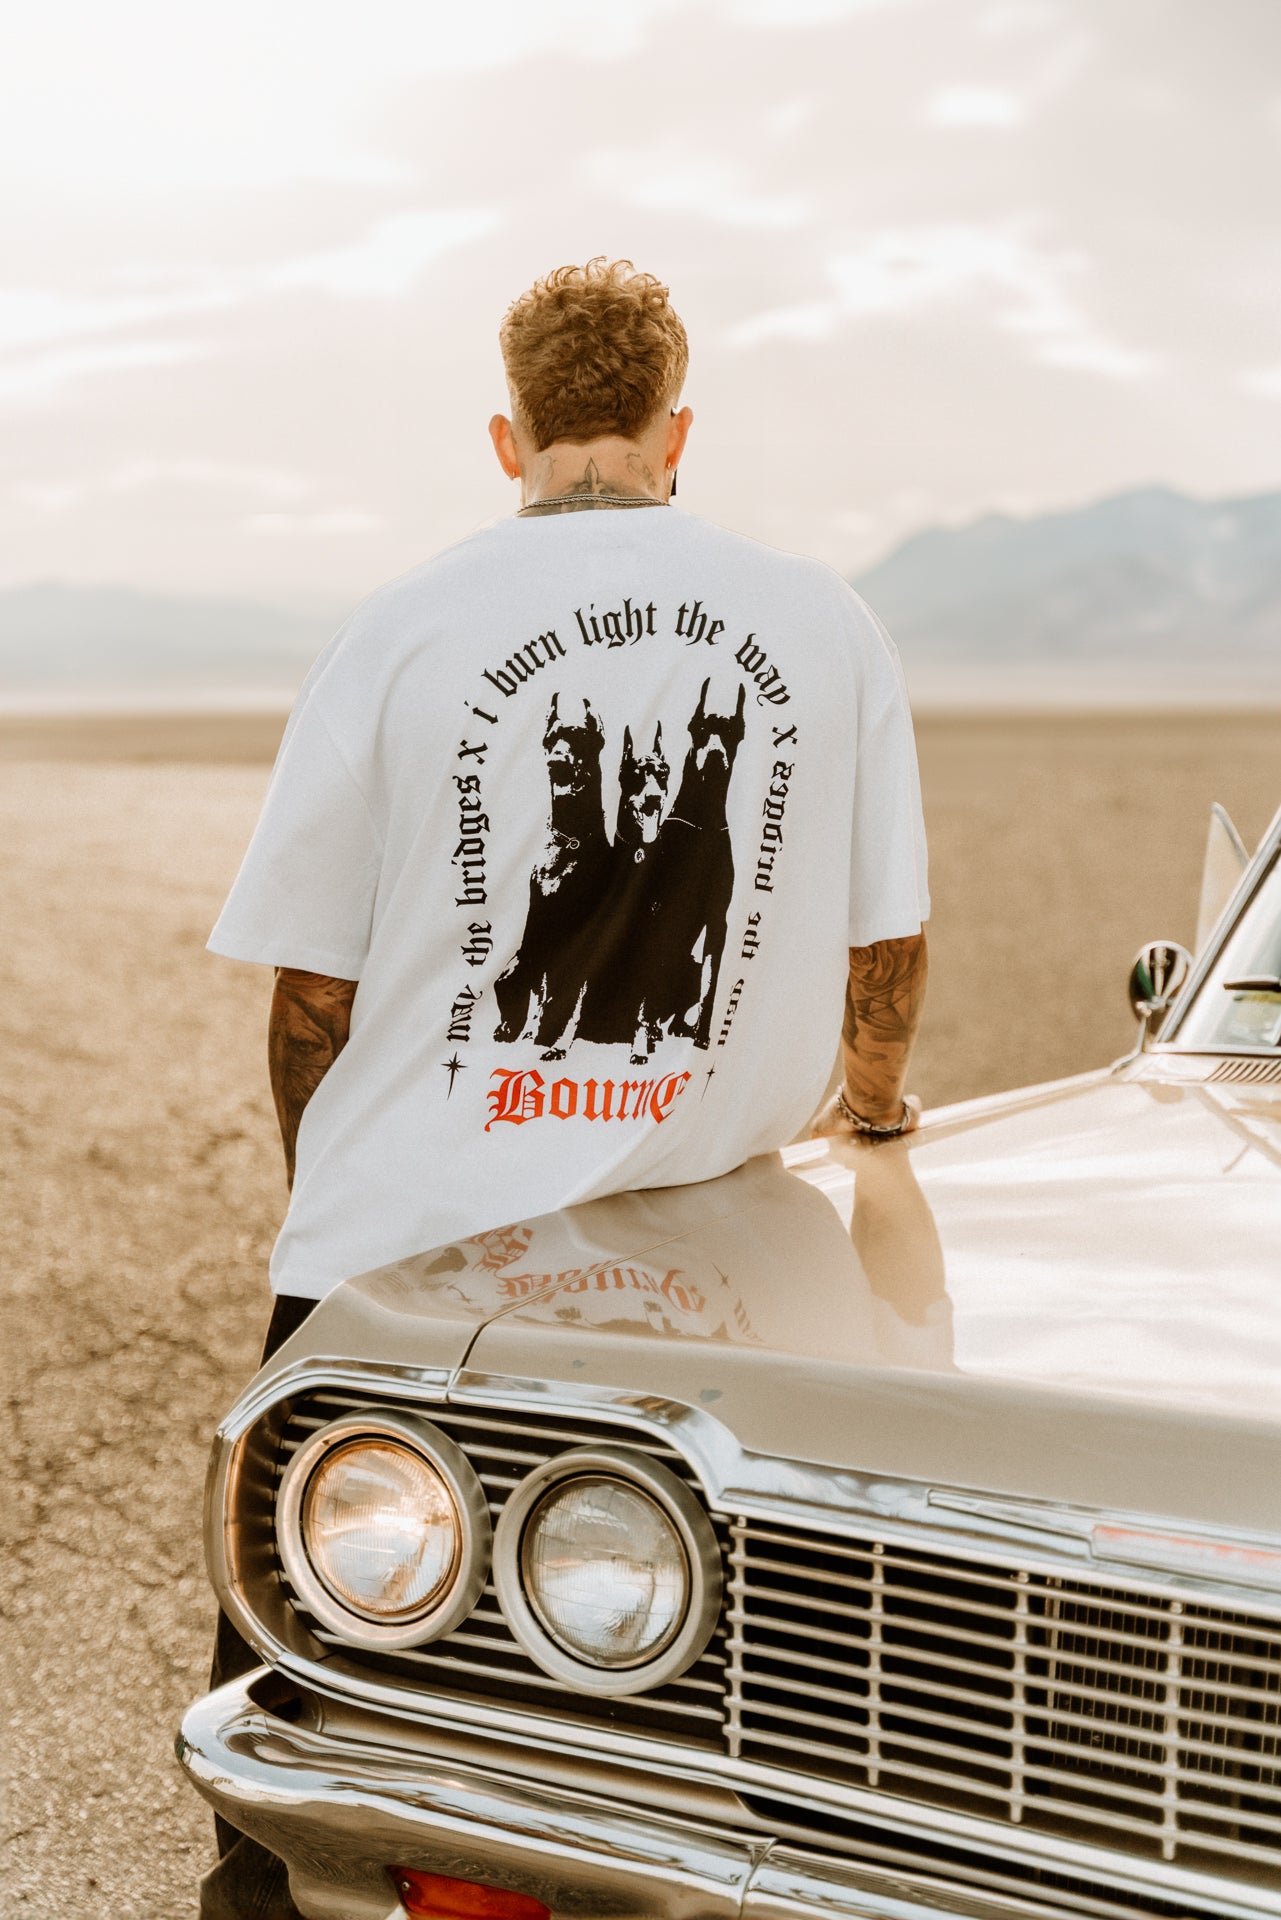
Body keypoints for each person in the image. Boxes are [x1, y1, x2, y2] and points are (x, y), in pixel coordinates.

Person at [199, 256, 929, 1917]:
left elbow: (311, 992)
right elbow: (885, 946)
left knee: (325, 1745)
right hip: (704, 1263)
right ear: (678, 430)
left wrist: (337, 1208)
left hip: (398, 1262)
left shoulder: (401, 623)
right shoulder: (823, 621)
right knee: (679, 1750)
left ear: (504, 431)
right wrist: (868, 1106)